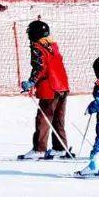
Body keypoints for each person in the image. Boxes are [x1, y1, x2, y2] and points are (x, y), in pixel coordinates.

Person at [18, 20, 72, 160]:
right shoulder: (53, 46)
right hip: (62, 86)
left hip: (50, 87)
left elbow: (40, 67)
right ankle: (60, 148)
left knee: (43, 118)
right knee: (58, 119)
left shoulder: (37, 47)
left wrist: (31, 82)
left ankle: (39, 149)